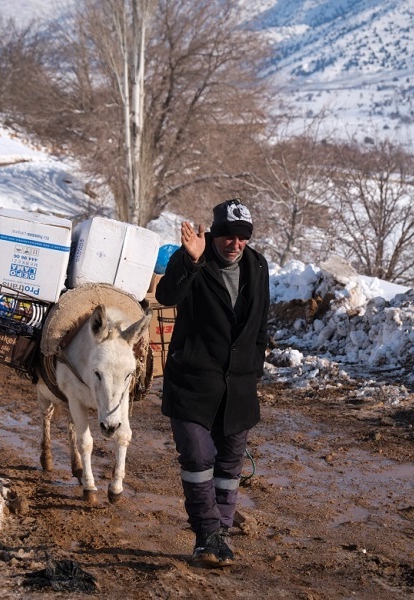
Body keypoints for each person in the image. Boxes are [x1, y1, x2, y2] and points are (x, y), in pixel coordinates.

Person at [154, 198, 270, 568]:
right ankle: (207, 533)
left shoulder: (258, 266)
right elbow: (166, 295)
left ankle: (221, 533)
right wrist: (190, 261)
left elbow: (261, 324)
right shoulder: (195, 259)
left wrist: (254, 368)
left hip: (238, 388)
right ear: (215, 234)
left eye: (242, 237)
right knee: (198, 457)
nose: (235, 244)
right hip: (193, 383)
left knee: (230, 465)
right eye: (228, 236)